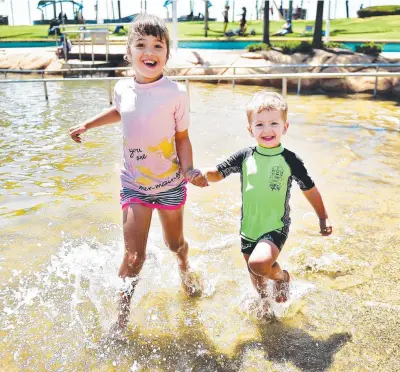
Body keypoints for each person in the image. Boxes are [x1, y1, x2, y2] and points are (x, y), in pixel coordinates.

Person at [69, 14, 208, 332]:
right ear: (129, 52)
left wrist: (188, 170)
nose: (150, 52)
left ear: (167, 54)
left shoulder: (176, 95)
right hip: (134, 185)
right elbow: (120, 111)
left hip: (170, 183)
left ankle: (184, 265)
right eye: (141, 45)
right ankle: (119, 321)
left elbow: (182, 138)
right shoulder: (122, 88)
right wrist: (88, 124)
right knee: (134, 257)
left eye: (158, 46)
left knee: (174, 244)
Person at [196, 92, 332, 303]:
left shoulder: (290, 160)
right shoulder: (244, 156)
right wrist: (204, 175)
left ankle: (282, 277)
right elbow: (218, 172)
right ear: (251, 130)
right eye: (259, 125)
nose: (267, 130)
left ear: (284, 128)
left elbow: (309, 188)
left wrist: (322, 217)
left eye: (274, 123)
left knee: (259, 265)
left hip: (275, 226)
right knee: (258, 282)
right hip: (249, 227)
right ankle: (266, 310)